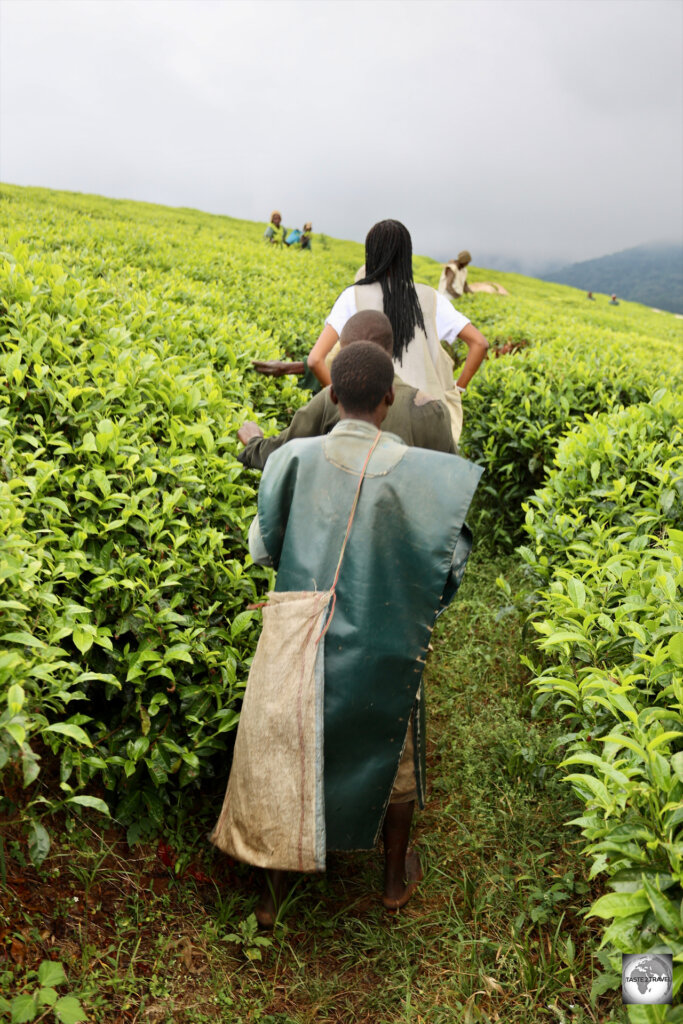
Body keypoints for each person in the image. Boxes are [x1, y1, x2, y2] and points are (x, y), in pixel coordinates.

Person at [211, 342, 482, 924]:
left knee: (286, 742)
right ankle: (390, 880)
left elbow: (264, 546)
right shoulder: (426, 476)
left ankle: (272, 892)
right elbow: (449, 569)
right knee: (397, 749)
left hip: (299, 629)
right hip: (385, 635)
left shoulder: (292, 460)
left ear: (332, 395)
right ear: (389, 400)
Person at [304, 220, 489, 444]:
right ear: (407, 255)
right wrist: (457, 389)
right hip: (429, 418)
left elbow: (315, 360)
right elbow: (479, 343)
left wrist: (344, 404)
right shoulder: (431, 299)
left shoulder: (353, 297)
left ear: (370, 253)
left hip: (371, 423)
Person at [238, 310, 456, 470]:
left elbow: (281, 455)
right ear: (390, 350)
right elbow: (451, 479)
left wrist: (253, 442)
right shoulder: (433, 410)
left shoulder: (332, 399)